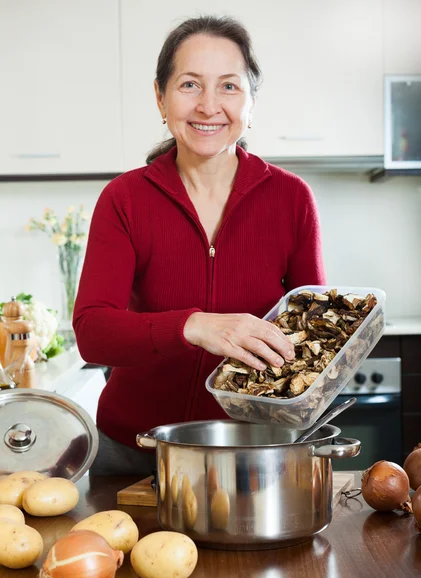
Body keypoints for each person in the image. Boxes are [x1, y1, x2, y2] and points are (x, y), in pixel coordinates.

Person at [73, 15, 326, 476]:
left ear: (251, 103)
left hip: (251, 454)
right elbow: (93, 333)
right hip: (135, 452)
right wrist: (192, 326)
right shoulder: (124, 199)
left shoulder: (292, 199)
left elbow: (312, 339)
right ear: (160, 98)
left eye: (229, 87)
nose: (209, 106)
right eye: (190, 84)